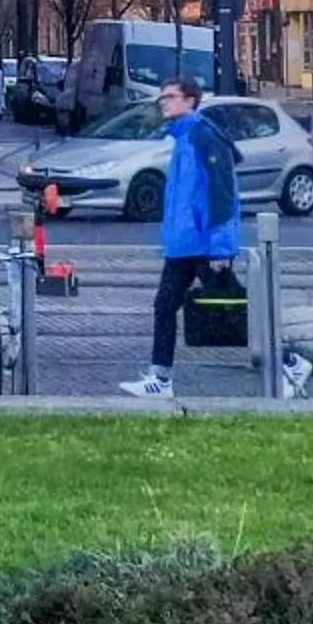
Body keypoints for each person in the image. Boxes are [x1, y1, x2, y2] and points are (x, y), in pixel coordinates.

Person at [120, 76, 240, 400]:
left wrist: (221, 247)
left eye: (170, 97)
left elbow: (222, 194)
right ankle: (160, 379)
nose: (164, 103)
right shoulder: (185, 138)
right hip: (184, 245)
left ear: (190, 101)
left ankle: (287, 363)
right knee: (165, 306)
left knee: (235, 309)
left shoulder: (204, 136)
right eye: (162, 98)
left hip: (204, 246)